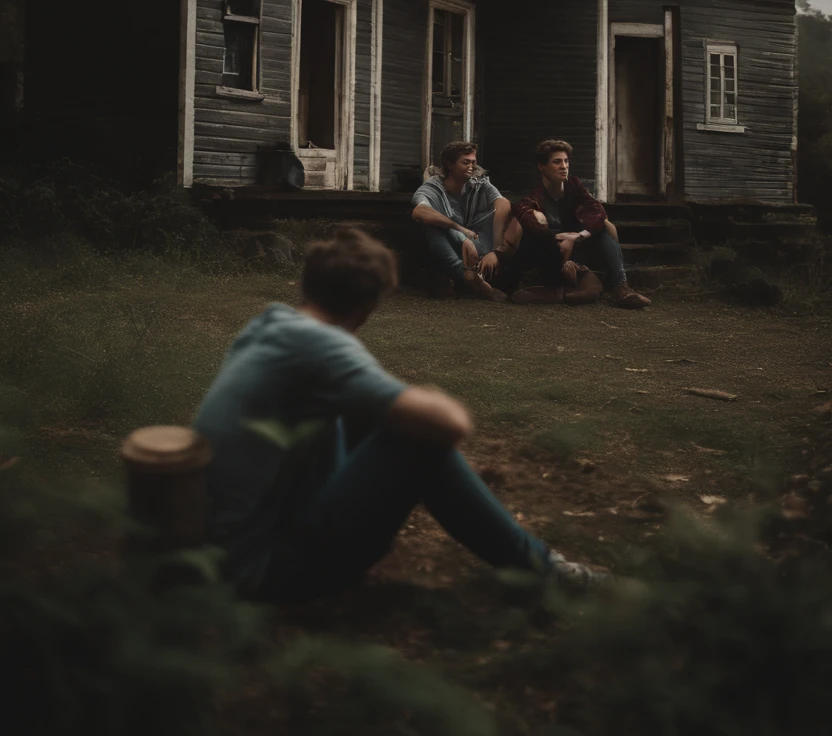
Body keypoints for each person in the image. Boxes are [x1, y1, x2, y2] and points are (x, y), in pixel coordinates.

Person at [193, 228, 607, 602]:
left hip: (226, 554)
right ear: (369, 305)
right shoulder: (323, 348)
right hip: (265, 575)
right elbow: (453, 423)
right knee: (420, 440)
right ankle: (543, 570)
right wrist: (420, 399)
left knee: (370, 416)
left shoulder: (270, 325)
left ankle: (536, 565)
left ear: (308, 284)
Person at [507, 139, 651, 309]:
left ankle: (621, 287)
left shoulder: (574, 187)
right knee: (534, 223)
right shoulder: (534, 198)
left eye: (566, 161)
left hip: (577, 254)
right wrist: (557, 238)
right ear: (541, 166)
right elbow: (523, 213)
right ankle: (548, 289)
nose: (564, 166)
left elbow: (598, 212)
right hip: (549, 256)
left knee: (604, 227)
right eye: (557, 162)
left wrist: (577, 237)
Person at [410, 140, 512, 301]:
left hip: (476, 244)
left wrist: (495, 248)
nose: (471, 166)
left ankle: (469, 278)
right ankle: (468, 278)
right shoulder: (434, 187)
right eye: (465, 162)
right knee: (432, 225)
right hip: (447, 246)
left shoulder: (478, 184)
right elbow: (419, 211)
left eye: (473, 162)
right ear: (450, 164)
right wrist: (460, 231)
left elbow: (503, 204)